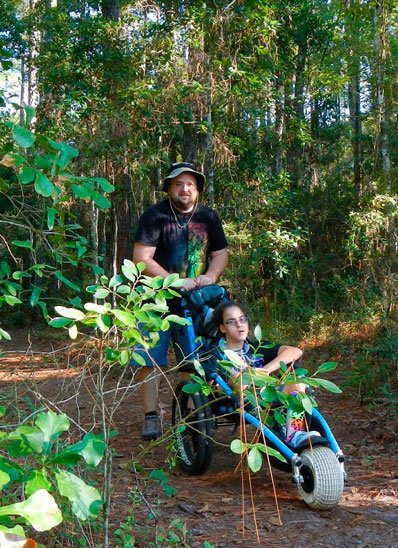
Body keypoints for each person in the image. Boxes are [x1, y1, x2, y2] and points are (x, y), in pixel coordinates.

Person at [132, 162, 229, 440]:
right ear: (169, 188)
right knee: (149, 359)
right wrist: (171, 281)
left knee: (193, 358)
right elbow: (142, 258)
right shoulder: (155, 216)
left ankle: (190, 415)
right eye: (178, 184)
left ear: (197, 189)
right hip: (154, 300)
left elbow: (220, 253)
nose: (185, 189)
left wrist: (210, 276)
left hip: (196, 301)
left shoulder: (208, 217)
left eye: (190, 184)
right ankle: (151, 416)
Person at [213, 301, 322, 448]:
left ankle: (294, 433)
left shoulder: (256, 348)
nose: (239, 325)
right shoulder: (215, 354)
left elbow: (295, 351)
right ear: (222, 327)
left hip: (267, 394)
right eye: (231, 322)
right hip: (237, 399)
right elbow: (216, 384)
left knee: (298, 380)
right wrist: (244, 378)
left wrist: (267, 370)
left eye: (242, 319)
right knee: (238, 379)